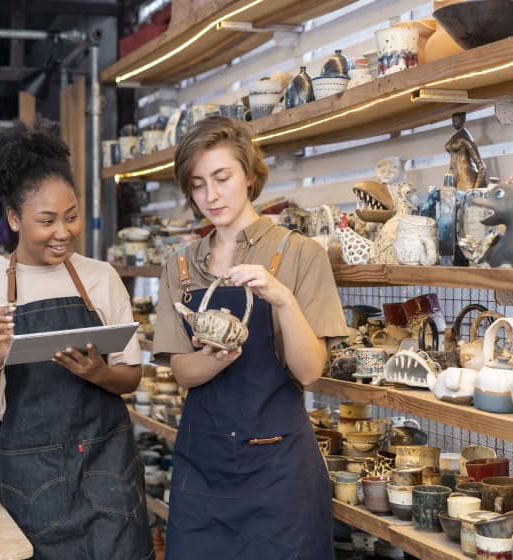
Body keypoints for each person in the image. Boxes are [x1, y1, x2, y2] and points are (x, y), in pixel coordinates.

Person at [0, 121, 153, 560]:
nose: (63, 231)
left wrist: (99, 372)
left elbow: (131, 377)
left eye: (71, 216)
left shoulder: (102, 279)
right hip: (32, 482)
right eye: (47, 221)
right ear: (15, 218)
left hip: (108, 473)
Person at [153, 116, 349, 559]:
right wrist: (218, 356)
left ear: (249, 174)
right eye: (199, 184)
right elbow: (183, 372)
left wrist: (281, 299)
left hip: (279, 473)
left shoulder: (299, 254)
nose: (211, 195)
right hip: (202, 467)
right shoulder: (181, 267)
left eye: (222, 177)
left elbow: (310, 371)